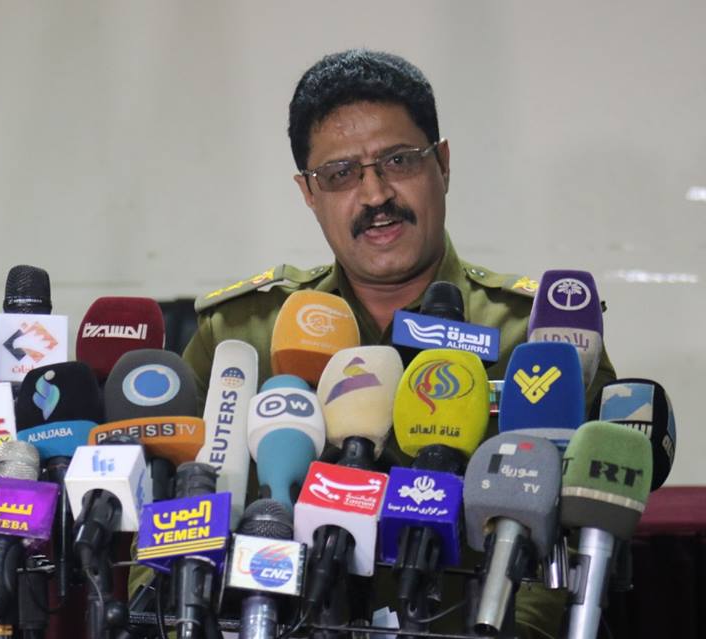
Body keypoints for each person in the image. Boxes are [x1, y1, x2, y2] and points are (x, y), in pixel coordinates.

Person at [177, 49, 615, 638]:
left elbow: (581, 546)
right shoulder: (241, 335)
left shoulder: (537, 337)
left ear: (444, 165)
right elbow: (169, 513)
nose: (375, 194)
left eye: (399, 161)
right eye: (340, 174)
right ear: (308, 193)